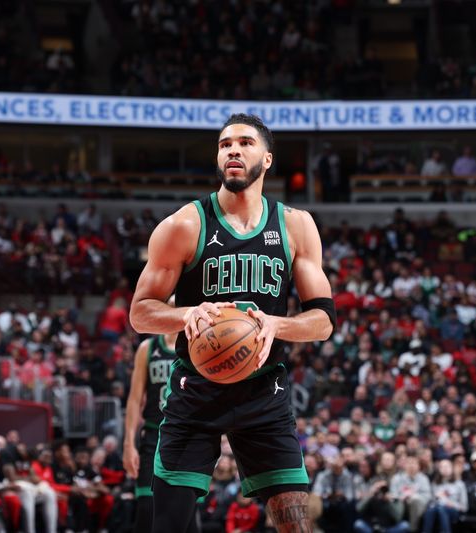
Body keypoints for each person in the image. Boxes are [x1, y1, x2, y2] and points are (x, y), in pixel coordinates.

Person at [129, 114, 335, 533]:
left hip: (265, 393)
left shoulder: (295, 225)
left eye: (245, 143)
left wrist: (278, 325)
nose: (234, 151)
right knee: (167, 526)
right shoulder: (183, 225)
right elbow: (140, 312)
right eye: (225, 145)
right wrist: (187, 314)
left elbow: (323, 321)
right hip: (196, 394)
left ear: (268, 158)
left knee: (297, 525)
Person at [123, 311, 195, 533]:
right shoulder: (148, 348)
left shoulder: (197, 346)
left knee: (187, 517)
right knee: (146, 508)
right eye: (170, 306)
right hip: (153, 436)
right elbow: (135, 400)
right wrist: (128, 444)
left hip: (186, 438)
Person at [422, 459, 467, 533]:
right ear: (439, 470)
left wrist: (448, 502)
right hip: (436, 510)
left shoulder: (460, 484)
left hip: (454, 512)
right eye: (442, 467)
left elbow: (464, 507)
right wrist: (436, 498)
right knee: (430, 510)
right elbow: (430, 503)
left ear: (452, 468)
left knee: (441, 508)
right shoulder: (435, 484)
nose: (445, 469)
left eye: (447, 466)